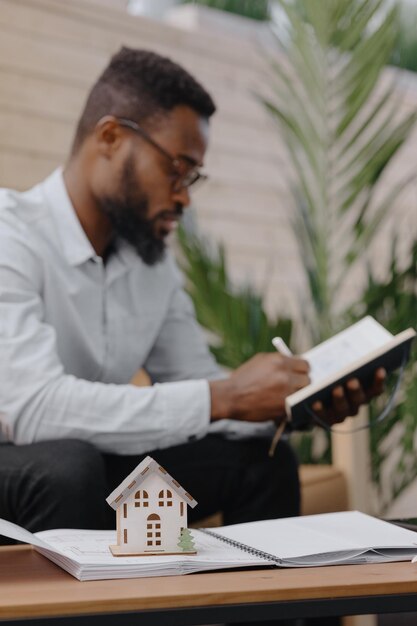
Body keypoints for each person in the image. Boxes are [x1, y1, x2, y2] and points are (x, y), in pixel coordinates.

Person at [0, 48, 385, 537]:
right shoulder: (10, 233)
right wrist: (224, 396)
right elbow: (34, 409)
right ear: (111, 137)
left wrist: (292, 406)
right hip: (20, 465)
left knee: (261, 461)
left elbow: (201, 386)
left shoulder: (149, 263)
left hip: (84, 464)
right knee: (66, 468)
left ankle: (270, 612)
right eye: (176, 169)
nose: (183, 196)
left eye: (193, 178)